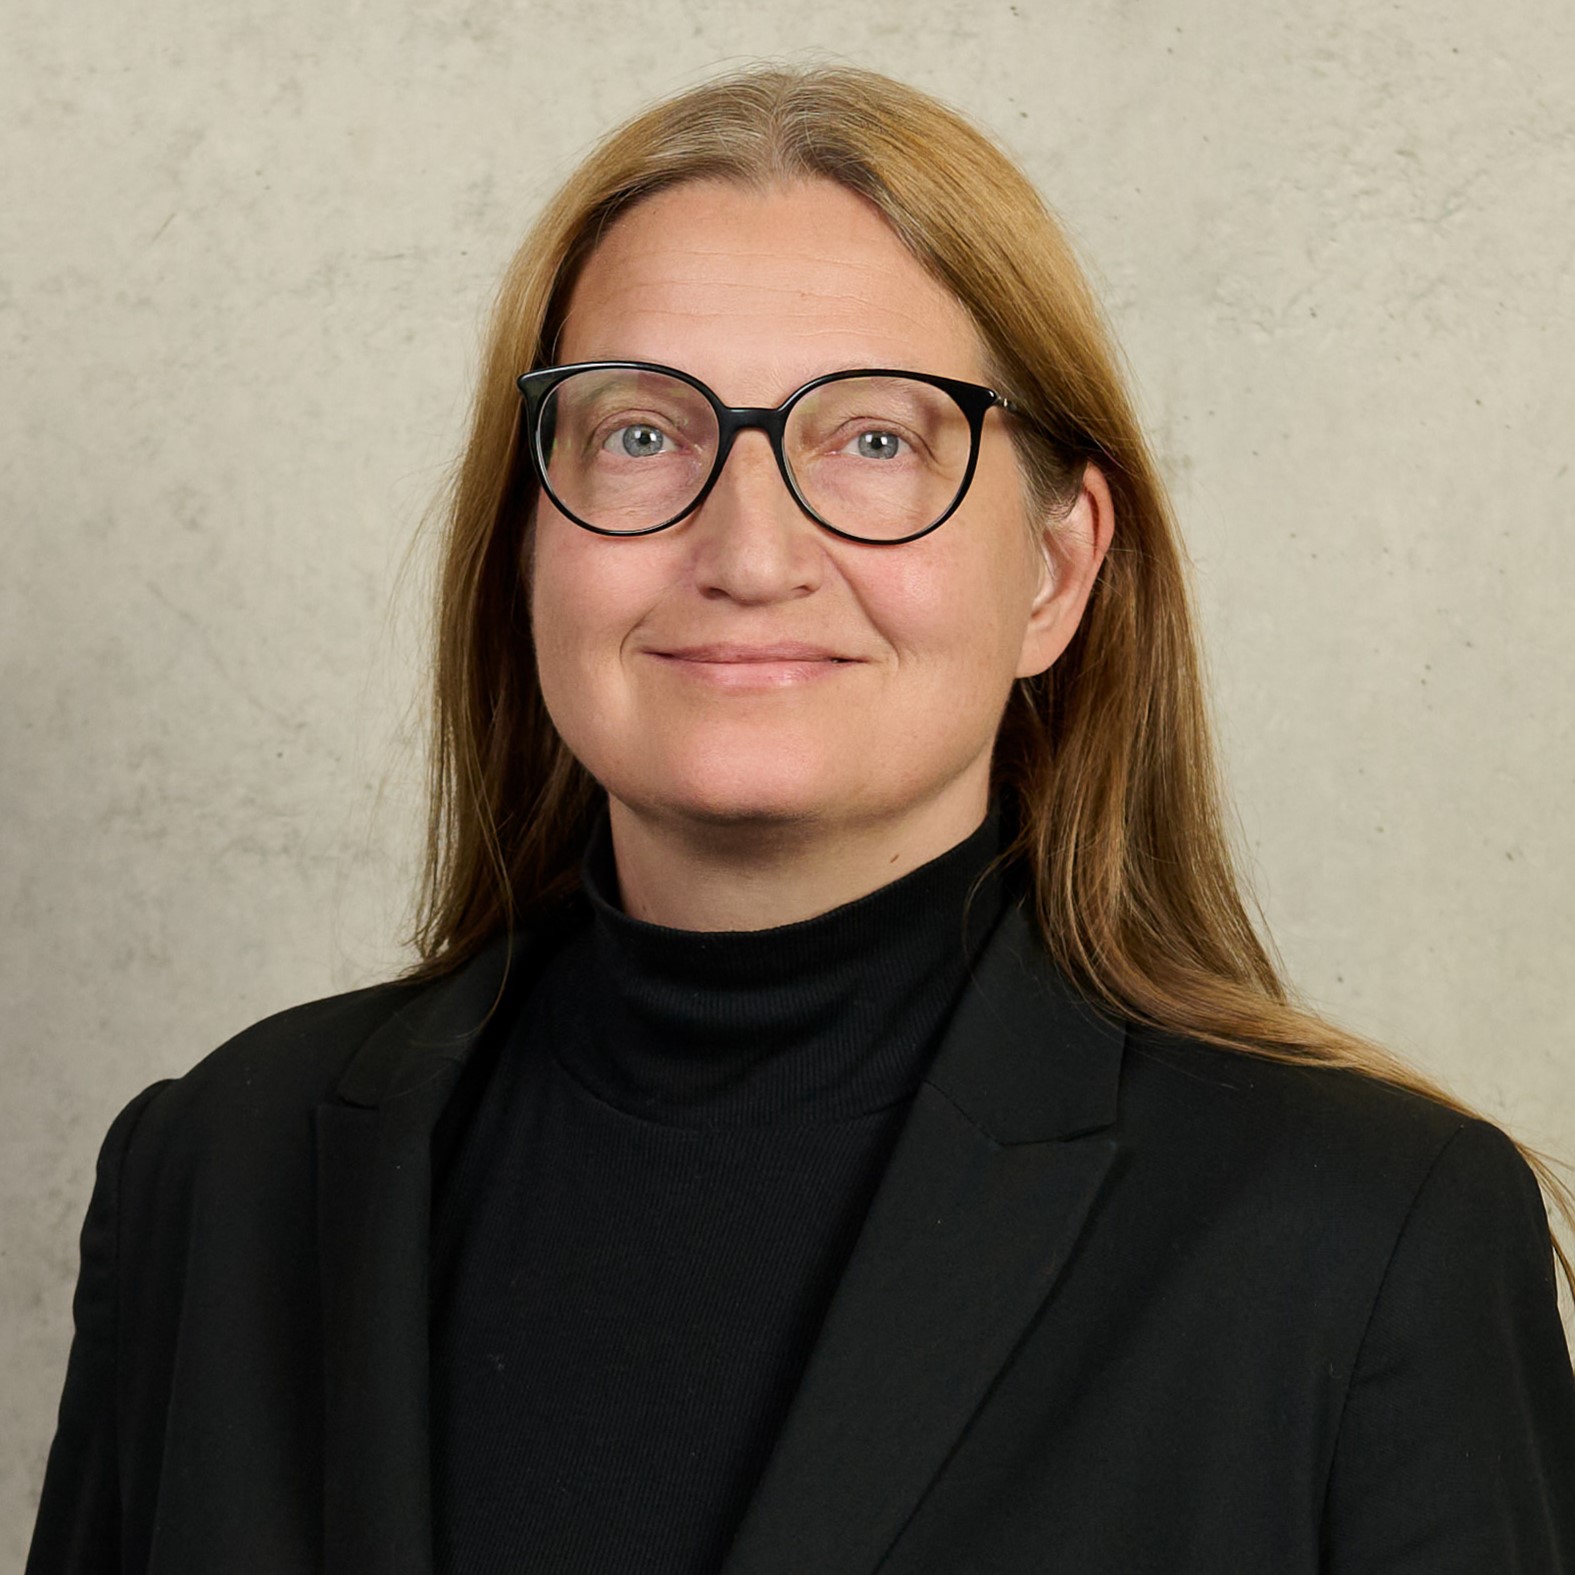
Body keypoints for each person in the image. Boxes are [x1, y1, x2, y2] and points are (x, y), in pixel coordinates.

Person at [26, 63, 1575, 1575]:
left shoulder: (1366, 1237)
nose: (749, 551)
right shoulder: (214, 1176)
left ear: (1054, 571)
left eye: (877, 440)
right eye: (641, 434)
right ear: (528, 544)